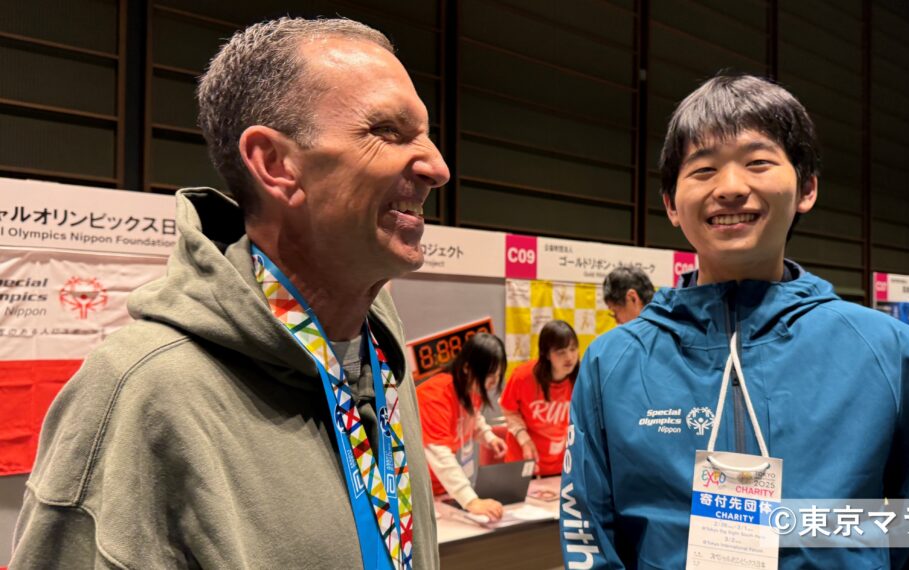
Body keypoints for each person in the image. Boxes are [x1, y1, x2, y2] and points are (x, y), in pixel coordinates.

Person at [11, 17, 449, 569]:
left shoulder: (381, 355)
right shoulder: (142, 390)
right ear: (275, 164)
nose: (438, 167)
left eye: (425, 134)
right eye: (387, 131)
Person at [559, 75, 909, 569]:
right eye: (703, 169)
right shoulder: (612, 361)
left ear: (806, 188)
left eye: (758, 162)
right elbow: (587, 528)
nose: (731, 188)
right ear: (670, 203)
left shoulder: (886, 348)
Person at [416, 333, 509, 521]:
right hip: (412, 490)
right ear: (467, 368)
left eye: (498, 375)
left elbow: (472, 418)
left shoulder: (470, 389)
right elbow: (438, 453)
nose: (493, 382)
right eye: (490, 375)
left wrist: (488, 437)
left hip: (439, 489)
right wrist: (471, 501)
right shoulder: (434, 396)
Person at [500, 320, 579, 476]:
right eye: (561, 352)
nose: (569, 357)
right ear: (547, 354)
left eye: (573, 349)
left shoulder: (582, 378)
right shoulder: (523, 377)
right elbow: (508, 410)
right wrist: (524, 439)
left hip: (561, 464)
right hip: (524, 459)